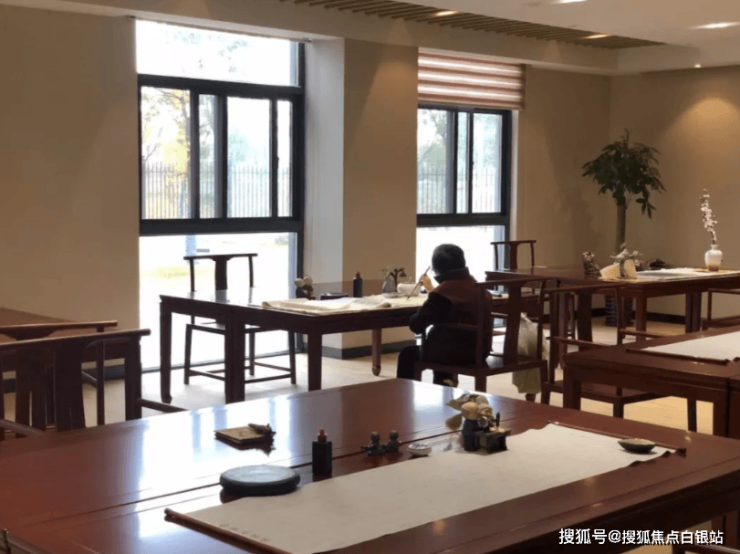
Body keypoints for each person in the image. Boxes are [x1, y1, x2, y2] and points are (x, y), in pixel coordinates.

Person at [396, 244, 492, 386]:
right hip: (481, 351)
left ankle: (403, 394)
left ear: (436, 269)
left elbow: (416, 326)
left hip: (453, 353)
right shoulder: (477, 286)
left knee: (408, 353)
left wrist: (414, 315)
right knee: (442, 337)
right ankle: (444, 385)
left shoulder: (443, 293)